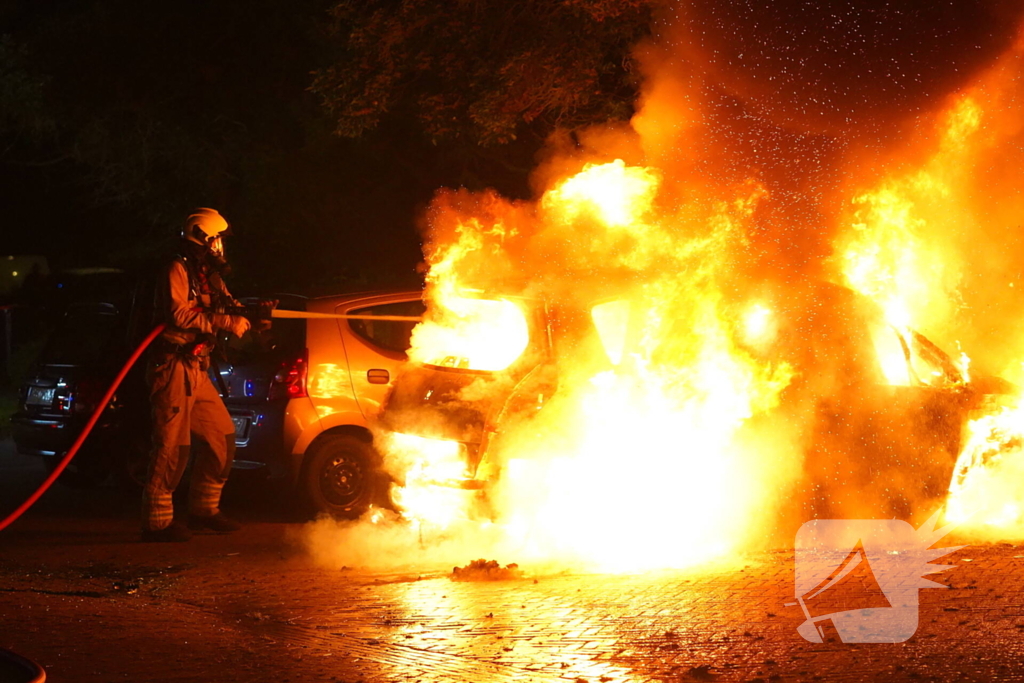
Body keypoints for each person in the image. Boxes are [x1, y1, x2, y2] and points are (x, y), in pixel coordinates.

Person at [141, 208, 251, 542]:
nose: (220, 246)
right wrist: (224, 323)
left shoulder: (208, 273)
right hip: (172, 367)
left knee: (222, 435)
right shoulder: (177, 268)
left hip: (196, 368)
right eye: (217, 238)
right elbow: (178, 312)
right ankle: (157, 523)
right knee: (172, 446)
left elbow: (227, 306)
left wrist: (253, 316)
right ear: (203, 235)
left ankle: (204, 509)